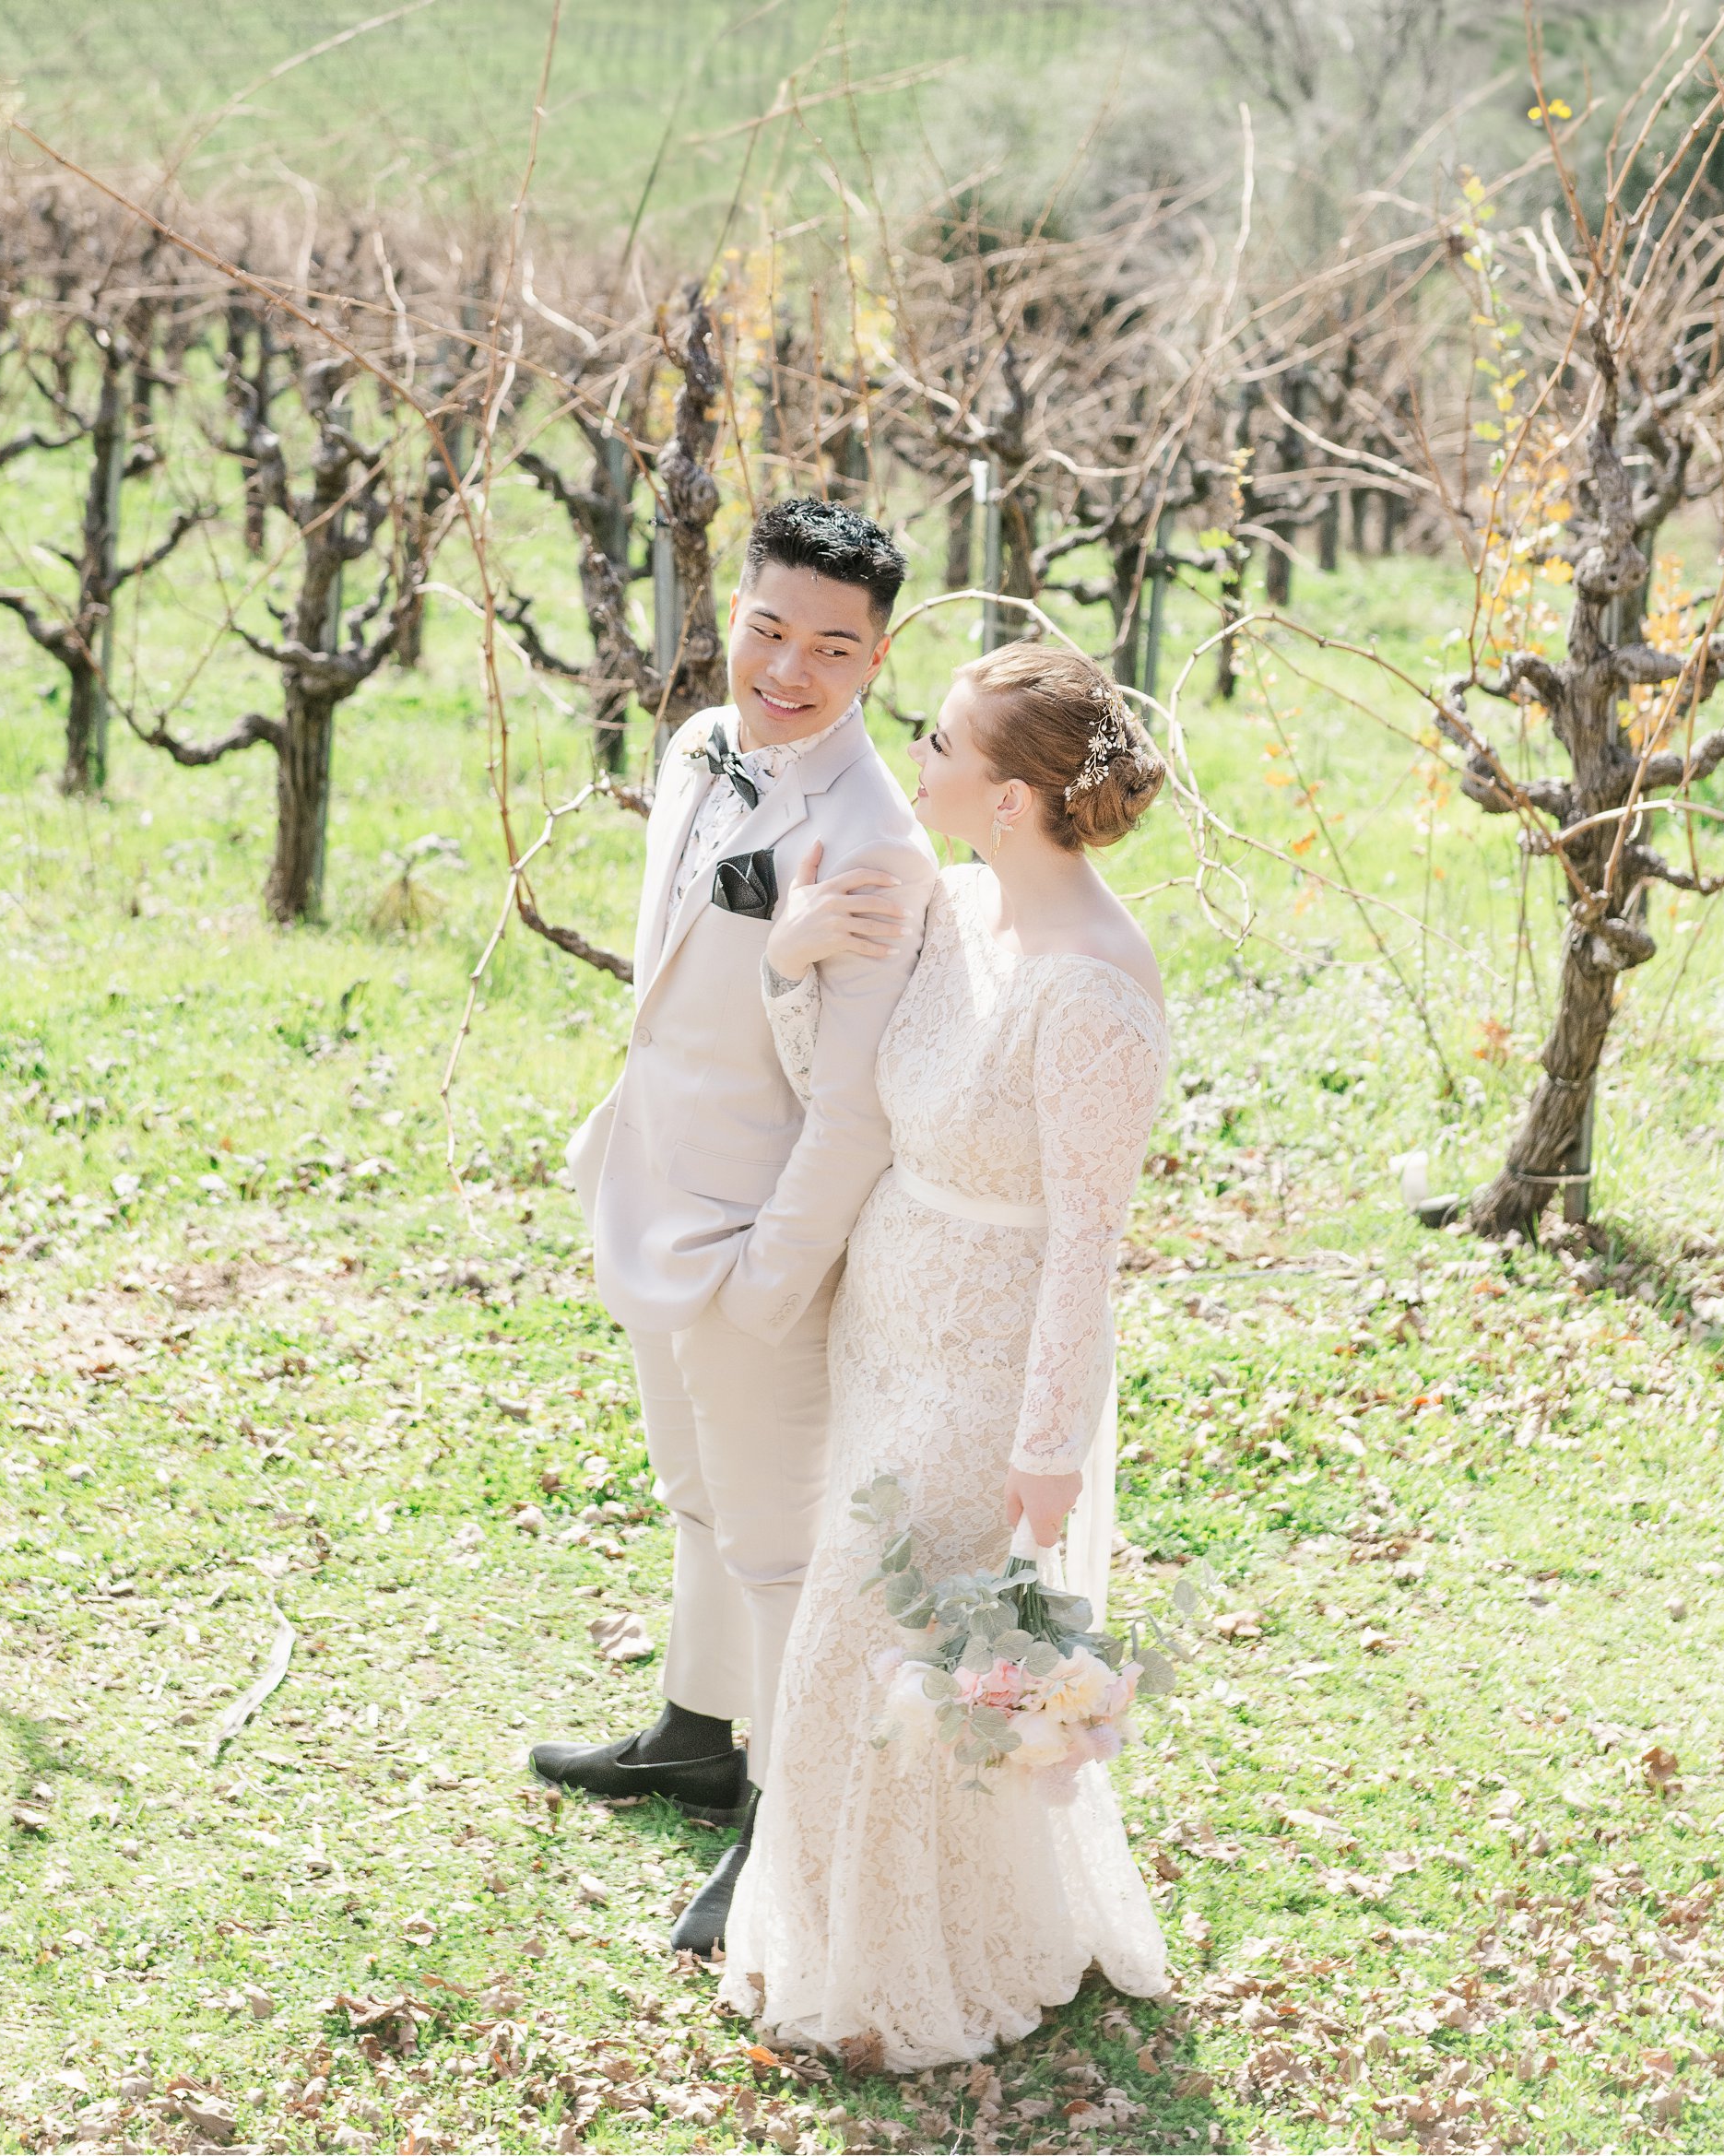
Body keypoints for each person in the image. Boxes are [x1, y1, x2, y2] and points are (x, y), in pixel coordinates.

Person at [717, 642, 1172, 2068]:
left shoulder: (1093, 992)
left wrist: (1049, 1445)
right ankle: (848, 1927)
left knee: (886, 1651)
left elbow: (1088, 1244)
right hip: (883, 1322)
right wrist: (791, 962)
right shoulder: (958, 911)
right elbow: (840, 1087)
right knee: (865, 1659)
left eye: (940, 741)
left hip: (986, 1369)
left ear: (1017, 800)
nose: (914, 755)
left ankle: (900, 1975)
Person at [530, 500, 937, 1956]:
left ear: (876, 658)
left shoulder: (880, 845)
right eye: (770, 627)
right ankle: (696, 1732)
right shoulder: (699, 743)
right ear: (735, 613)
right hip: (647, 1183)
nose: (790, 668)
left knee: (778, 1542)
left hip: (760, 1241)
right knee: (694, 1498)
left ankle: (780, 1819)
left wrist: (778, 1278)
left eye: (833, 645)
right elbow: (691, 954)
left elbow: (853, 1113)